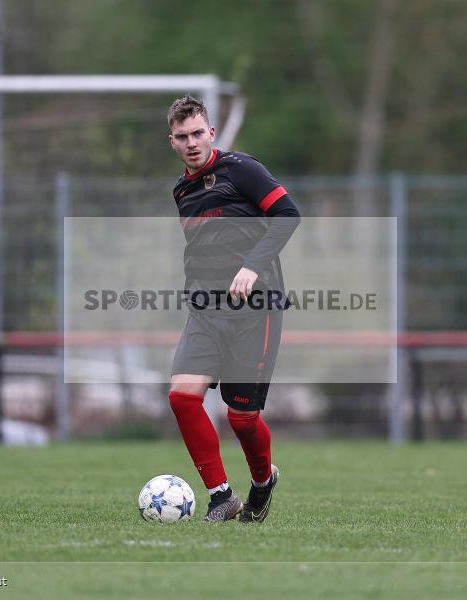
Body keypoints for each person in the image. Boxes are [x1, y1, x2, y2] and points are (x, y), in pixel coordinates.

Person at [166, 94, 300, 523]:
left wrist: (252, 268)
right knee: (182, 398)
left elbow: (287, 214)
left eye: (198, 134)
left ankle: (262, 481)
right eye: (182, 136)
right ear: (172, 141)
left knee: (242, 417)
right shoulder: (182, 190)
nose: (192, 143)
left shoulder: (241, 169)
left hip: (255, 310)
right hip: (206, 310)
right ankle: (221, 496)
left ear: (212, 133)